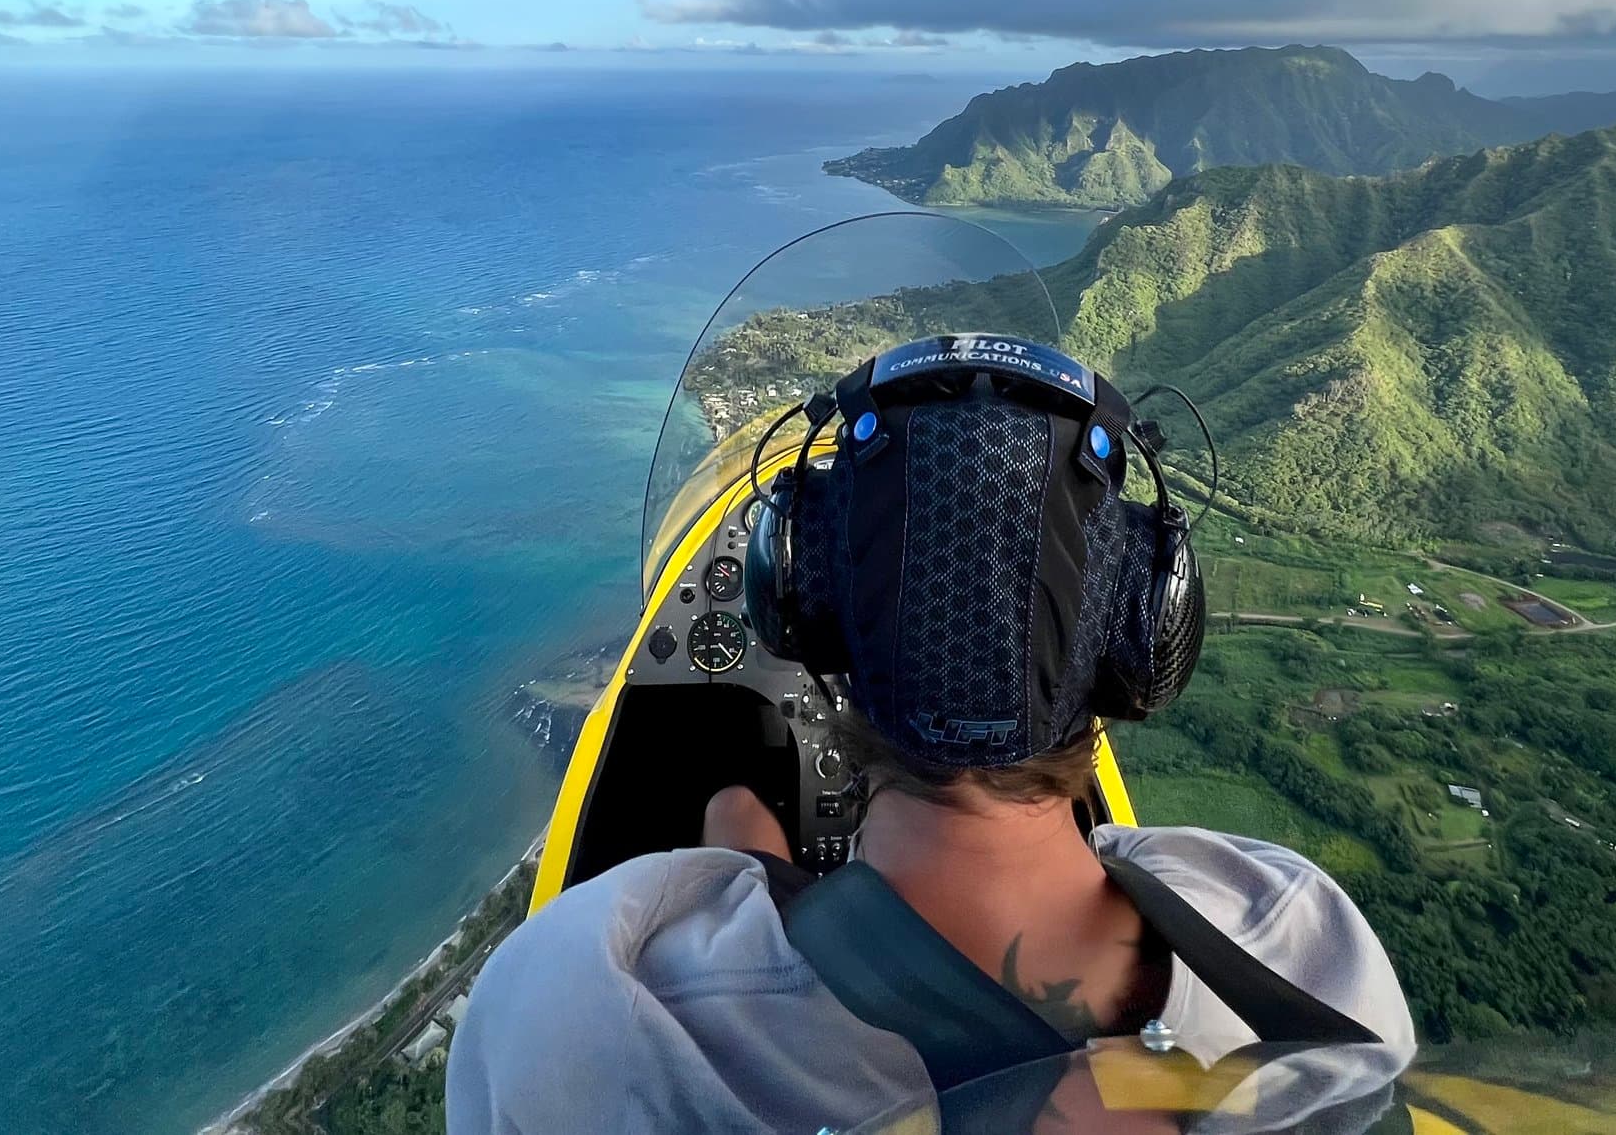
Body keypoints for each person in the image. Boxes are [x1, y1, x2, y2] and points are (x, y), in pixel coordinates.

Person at [446, 355, 1416, 1133]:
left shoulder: (574, 1016)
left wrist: (738, 875)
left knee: (732, 813)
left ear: (799, 609)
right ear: (1138, 644)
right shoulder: (1295, 952)